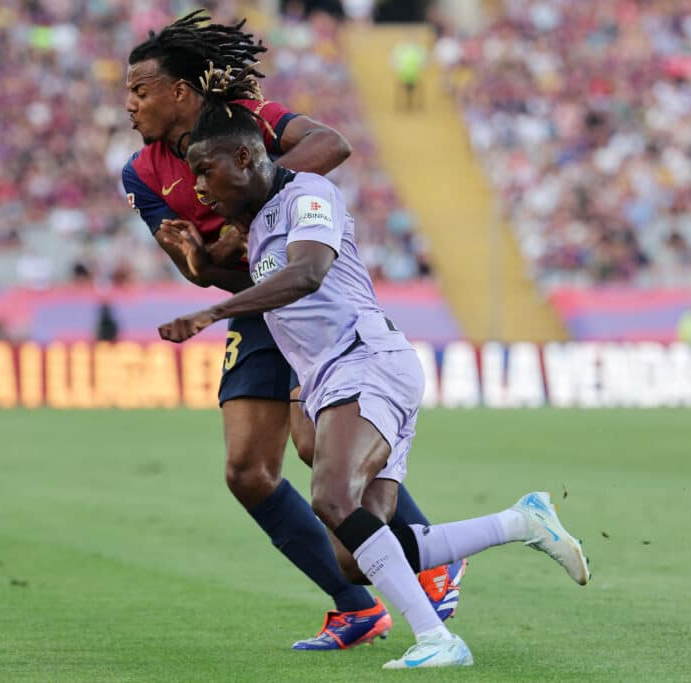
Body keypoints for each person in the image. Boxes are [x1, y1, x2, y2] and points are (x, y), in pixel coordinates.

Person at [157, 66, 590, 669]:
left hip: (366, 362)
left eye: (206, 171)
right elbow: (268, 273)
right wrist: (201, 263)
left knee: (332, 498)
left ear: (246, 158)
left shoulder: (308, 195)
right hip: (337, 375)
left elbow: (307, 272)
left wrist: (213, 312)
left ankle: (438, 642)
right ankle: (521, 522)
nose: (199, 188)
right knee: (357, 553)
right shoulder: (257, 229)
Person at [119, 11, 464, 649]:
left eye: (139, 91)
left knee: (321, 453)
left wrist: (253, 213)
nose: (129, 105)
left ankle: (431, 559)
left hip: (310, 298)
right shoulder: (140, 174)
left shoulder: (249, 117)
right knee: (247, 471)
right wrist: (197, 256)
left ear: (179, 92)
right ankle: (356, 605)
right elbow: (207, 277)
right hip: (253, 305)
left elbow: (330, 145)